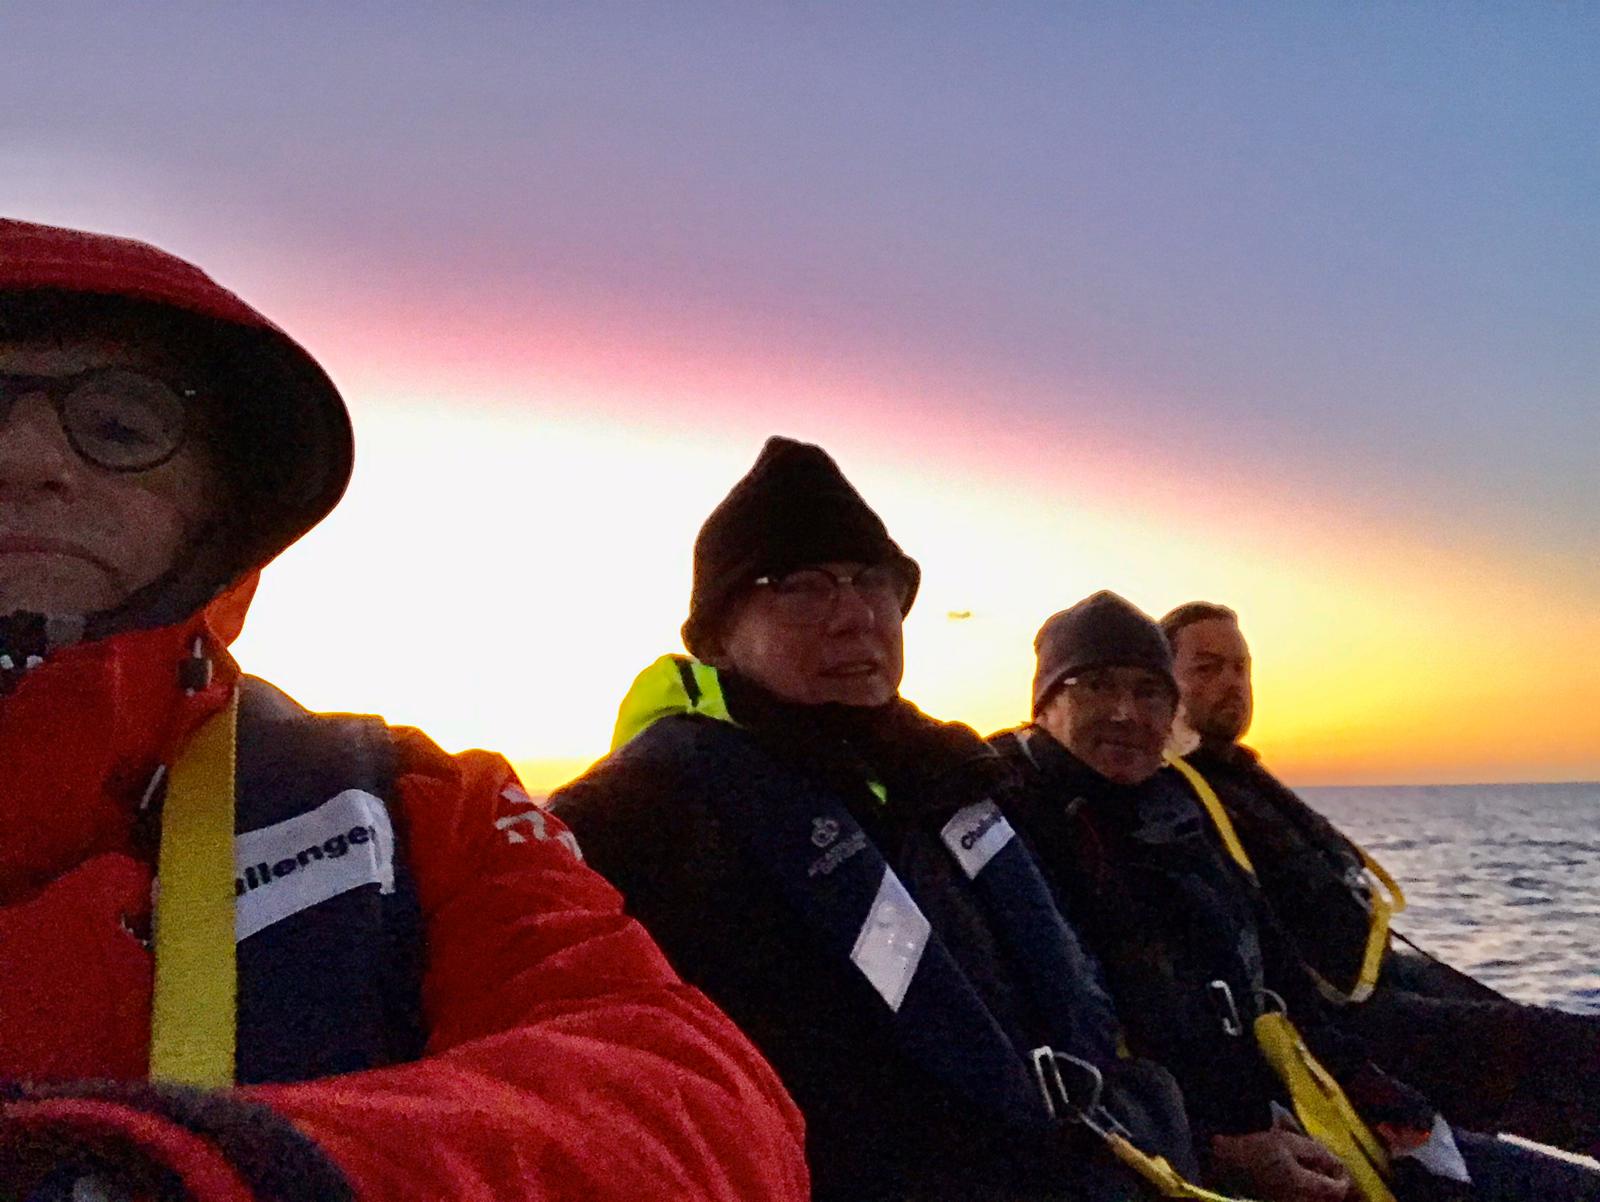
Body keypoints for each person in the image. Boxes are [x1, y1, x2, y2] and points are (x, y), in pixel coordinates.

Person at [0, 219, 807, 1202]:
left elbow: (689, 1094)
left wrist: (228, 1174)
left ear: (219, 512)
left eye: (122, 426)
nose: (29, 457)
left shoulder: (424, 810)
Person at [549, 438, 1209, 1202]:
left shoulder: (960, 786)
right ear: (719, 634)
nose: (856, 617)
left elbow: (1092, 1003)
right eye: (803, 587)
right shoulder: (630, 822)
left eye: (875, 583)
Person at [991, 591, 1600, 1202]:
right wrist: (1218, 1152)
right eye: (1095, 686)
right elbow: (1028, 1066)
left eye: (1148, 692)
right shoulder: (1005, 836)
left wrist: (1396, 1109)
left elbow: (1290, 993)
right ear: (1044, 705)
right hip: (1185, 1163)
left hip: (1298, 1113)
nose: (1126, 711)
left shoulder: (1178, 823)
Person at [1161, 600, 1600, 1158]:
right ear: (1166, 683)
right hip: (1339, 1024)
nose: (1233, 682)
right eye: (1207, 668)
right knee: (1560, 1051)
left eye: (1240, 667)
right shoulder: (1175, 801)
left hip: (1381, 983)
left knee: (1557, 1043)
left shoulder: (1237, 778)